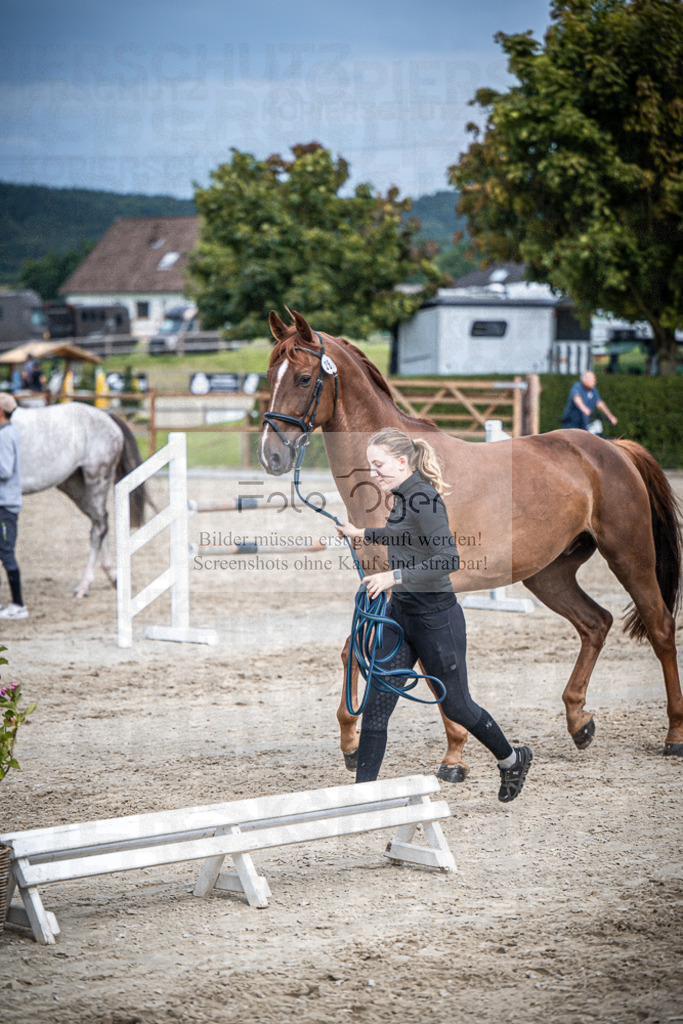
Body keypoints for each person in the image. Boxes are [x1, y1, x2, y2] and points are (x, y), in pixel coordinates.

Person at [336, 428, 532, 803]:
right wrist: (360, 532)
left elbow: (447, 559)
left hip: (436, 619)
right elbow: (404, 537)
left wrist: (392, 576)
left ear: (401, 462)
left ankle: (511, 759)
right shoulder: (402, 498)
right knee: (378, 705)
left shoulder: (423, 498)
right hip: (401, 615)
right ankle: (361, 799)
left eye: (378, 465)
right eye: (370, 466)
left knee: (458, 705)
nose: (373, 473)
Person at [0, 393, 28, 620]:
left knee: (7, 553)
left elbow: (4, 470)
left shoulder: (5, 436)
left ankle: (18, 604)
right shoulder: (9, 432)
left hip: (5, 505)